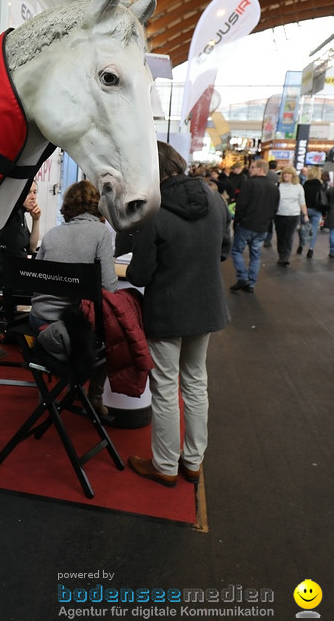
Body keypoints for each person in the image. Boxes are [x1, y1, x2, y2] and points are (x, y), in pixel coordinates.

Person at [125, 142, 231, 487]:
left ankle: (166, 466)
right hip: (207, 306)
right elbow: (224, 251)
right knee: (196, 383)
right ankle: (193, 462)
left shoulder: (153, 212)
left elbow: (140, 275)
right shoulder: (215, 199)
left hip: (167, 311)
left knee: (166, 389)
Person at [30, 179, 118, 415]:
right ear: (96, 206)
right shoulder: (101, 233)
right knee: (115, 329)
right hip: (77, 325)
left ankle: (46, 395)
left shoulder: (51, 234)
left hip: (39, 319)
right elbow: (109, 285)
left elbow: (35, 278)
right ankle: (94, 397)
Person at [229, 159, 279, 293]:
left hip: (246, 224)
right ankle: (250, 283)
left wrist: (237, 220)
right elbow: (275, 209)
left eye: (252, 167)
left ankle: (242, 277)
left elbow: (241, 205)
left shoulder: (249, 184)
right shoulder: (274, 187)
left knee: (236, 251)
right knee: (255, 255)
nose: (249, 169)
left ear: (261, 169)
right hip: (262, 226)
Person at [0, 180, 41, 279]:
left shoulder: (21, 214)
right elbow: (17, 250)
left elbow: (31, 248)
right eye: (28, 192)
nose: (33, 197)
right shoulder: (11, 216)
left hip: (15, 270)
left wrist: (36, 220)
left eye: (35, 192)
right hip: (6, 274)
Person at [273, 166, 307, 266]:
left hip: (293, 215)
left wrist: (305, 215)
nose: (286, 175)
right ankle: (281, 254)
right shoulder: (278, 185)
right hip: (279, 214)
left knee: (289, 236)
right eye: (284, 173)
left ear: (293, 175)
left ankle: (285, 256)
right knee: (280, 236)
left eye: (288, 173)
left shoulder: (298, 187)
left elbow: (302, 202)